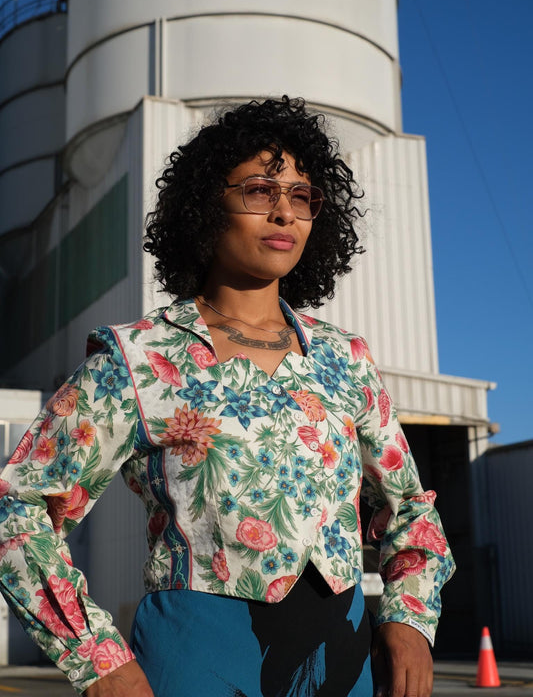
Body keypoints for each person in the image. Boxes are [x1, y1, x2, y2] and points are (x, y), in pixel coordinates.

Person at [0, 97, 455, 697]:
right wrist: (98, 660)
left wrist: (409, 623)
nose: (285, 214)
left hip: (345, 663)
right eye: (261, 191)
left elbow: (412, 514)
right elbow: (18, 508)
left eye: (300, 197)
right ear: (206, 206)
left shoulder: (347, 360)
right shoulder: (138, 360)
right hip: (196, 664)